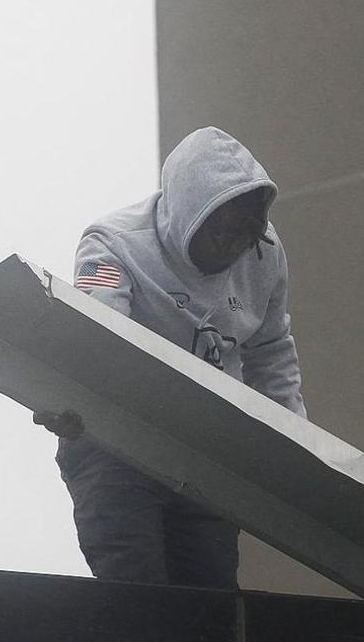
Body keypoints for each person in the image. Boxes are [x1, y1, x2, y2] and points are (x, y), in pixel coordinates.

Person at [35, 126, 306, 589]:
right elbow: (94, 337)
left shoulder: (264, 253)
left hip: (201, 445)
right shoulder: (113, 243)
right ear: (189, 216)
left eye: (248, 235)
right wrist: (67, 395)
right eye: (224, 233)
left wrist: (293, 448)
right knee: (136, 584)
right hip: (114, 437)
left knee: (211, 593)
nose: (236, 248)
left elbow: (270, 349)